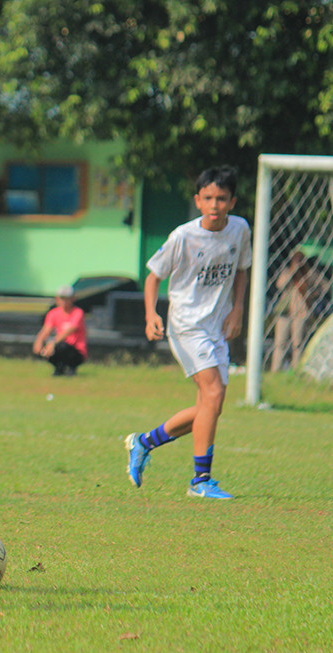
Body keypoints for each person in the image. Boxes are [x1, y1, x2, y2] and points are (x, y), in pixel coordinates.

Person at [124, 166, 251, 500]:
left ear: (232, 201)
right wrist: (152, 313)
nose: (215, 205)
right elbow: (153, 276)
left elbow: (241, 270)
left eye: (222, 199)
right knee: (213, 393)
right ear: (197, 201)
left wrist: (238, 309)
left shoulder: (239, 230)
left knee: (211, 405)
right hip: (186, 325)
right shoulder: (183, 236)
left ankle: (144, 442)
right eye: (208, 198)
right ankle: (200, 481)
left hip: (217, 327)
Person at [270, 250, 331, 372]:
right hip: (285, 312)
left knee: (297, 344)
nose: (298, 263)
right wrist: (293, 271)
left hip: (301, 312)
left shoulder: (309, 273)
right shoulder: (287, 272)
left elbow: (325, 285)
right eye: (295, 260)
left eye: (300, 260)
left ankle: (296, 369)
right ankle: (275, 369)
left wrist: (314, 294)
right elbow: (280, 285)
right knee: (280, 343)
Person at [32, 285, 87, 376]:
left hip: (75, 351)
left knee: (62, 346)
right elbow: (46, 330)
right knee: (46, 348)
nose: (64, 302)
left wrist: (53, 342)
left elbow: (69, 330)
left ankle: (71, 368)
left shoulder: (77, 313)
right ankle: (59, 367)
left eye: (67, 299)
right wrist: (39, 341)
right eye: (62, 298)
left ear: (73, 299)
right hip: (59, 345)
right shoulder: (53, 313)